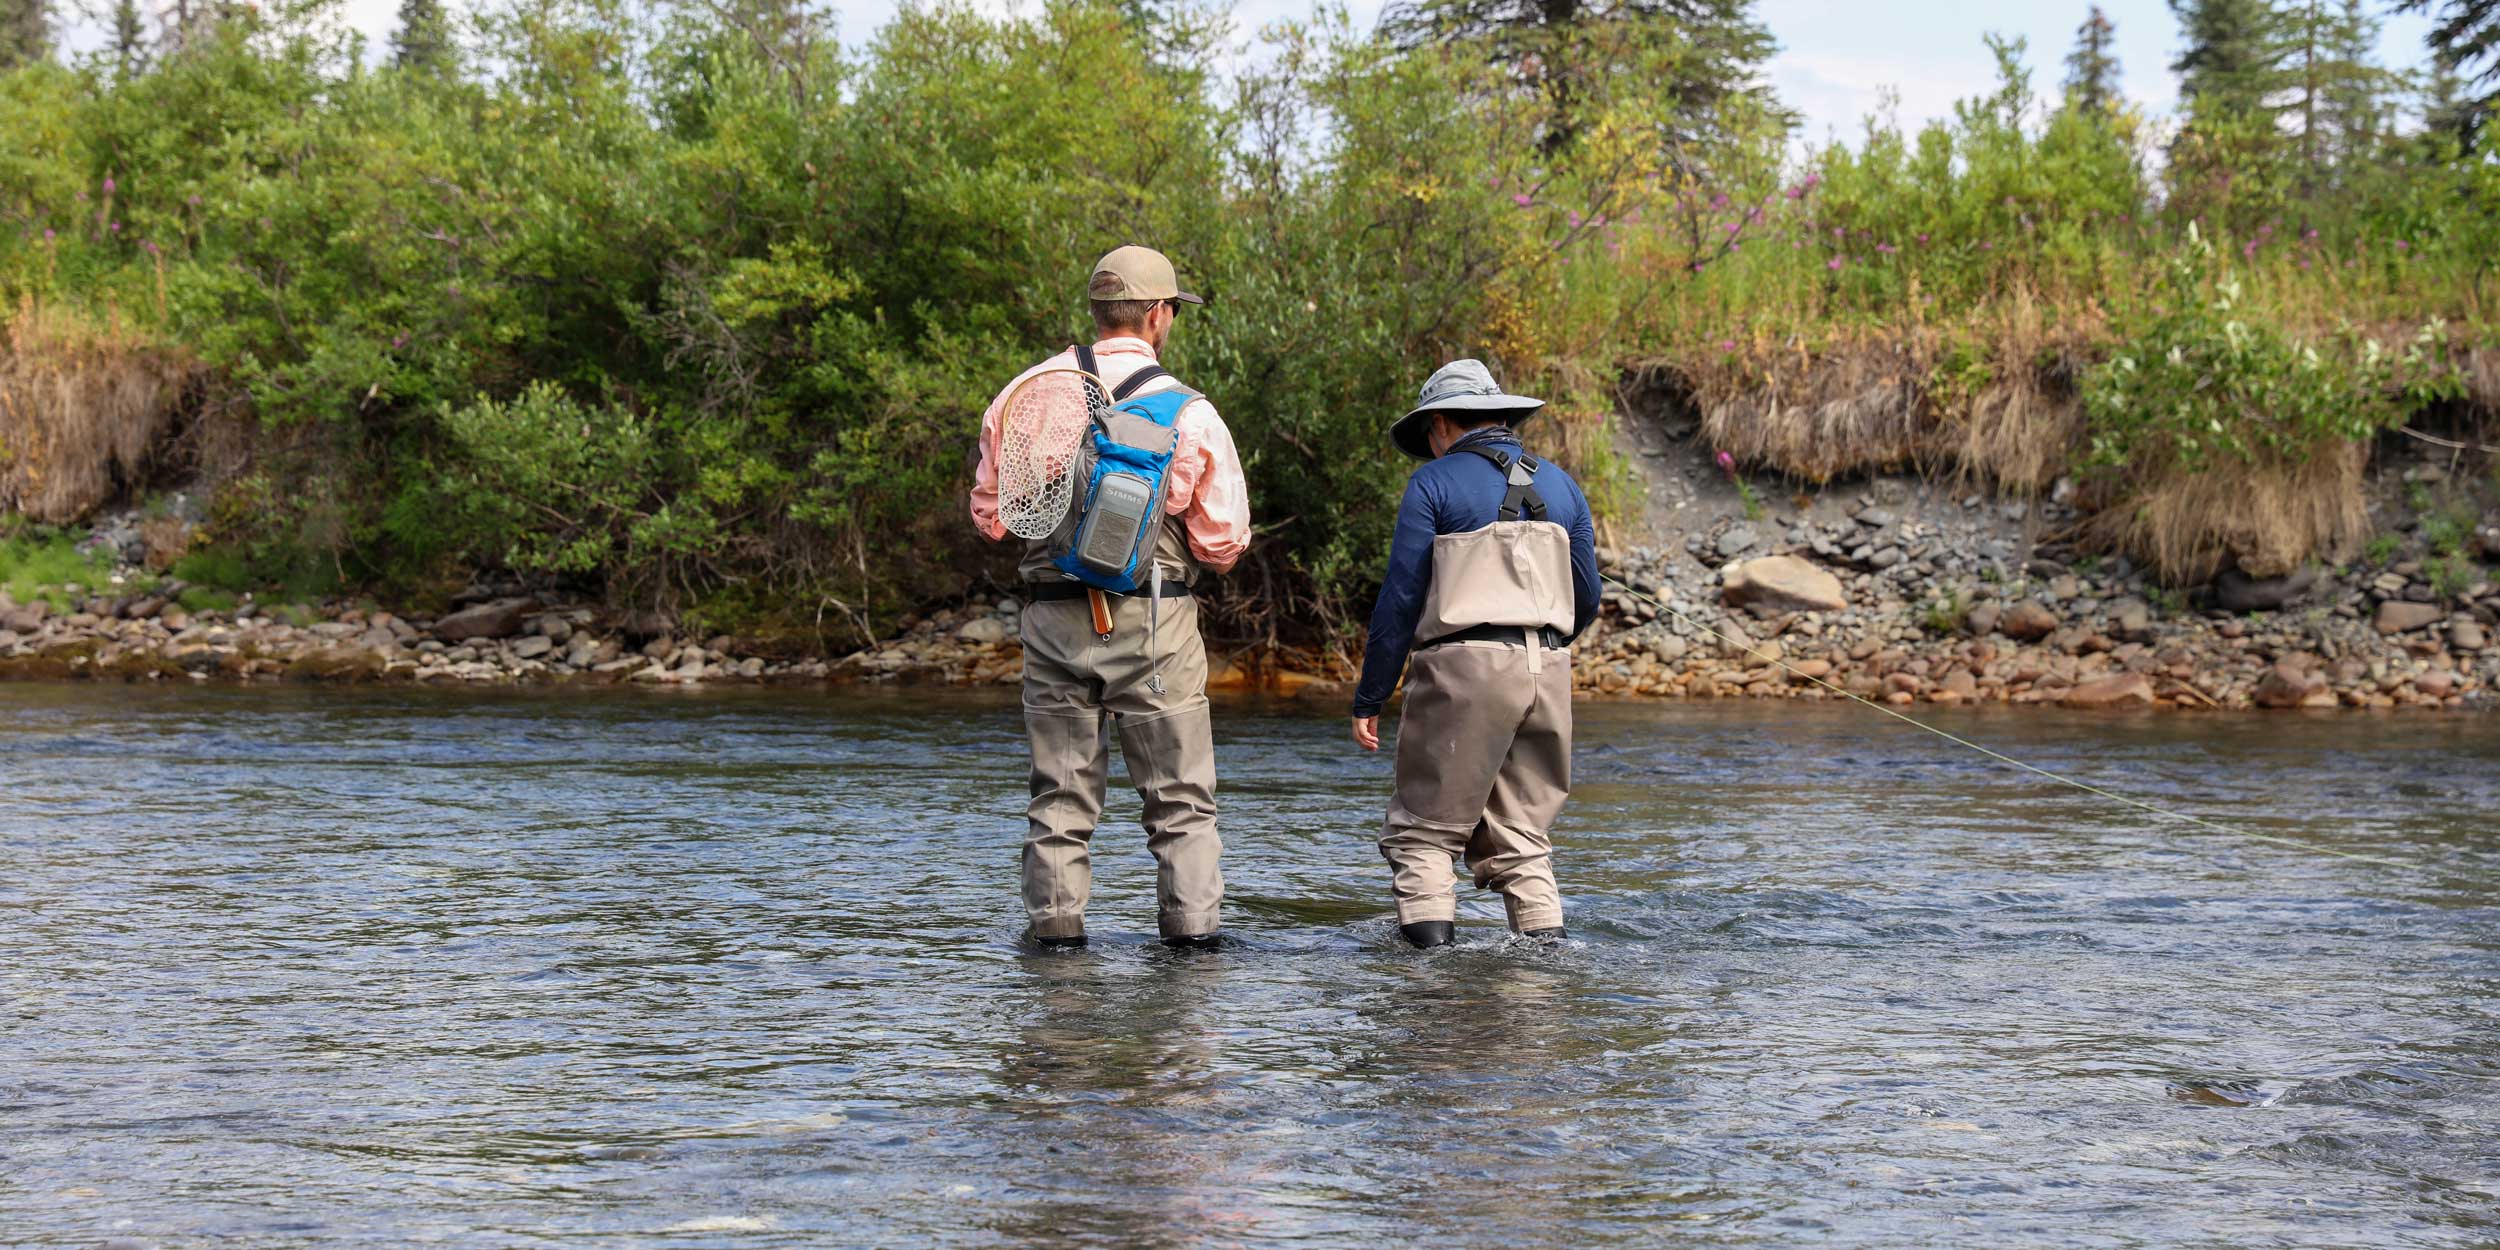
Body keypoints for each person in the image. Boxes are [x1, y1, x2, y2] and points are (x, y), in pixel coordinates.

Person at [970, 246, 1251, 950]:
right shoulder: (1193, 412)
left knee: (1058, 802)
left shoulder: (1021, 394)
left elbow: (992, 519)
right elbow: (1223, 545)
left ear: (1096, 312)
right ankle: (1192, 956)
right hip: (1154, 622)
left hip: (1053, 621)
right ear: (1158, 315)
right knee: (1181, 802)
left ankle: (1057, 954)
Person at [1349, 359, 1599, 948]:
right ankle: (1544, 979)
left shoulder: (1433, 483)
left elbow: (1401, 598)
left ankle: (1430, 985)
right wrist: (1538, 651)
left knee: (1423, 834)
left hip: (1464, 668)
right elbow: (1587, 596)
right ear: (1500, 414)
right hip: (1549, 668)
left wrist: (1371, 695)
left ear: (1438, 424)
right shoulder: (1562, 485)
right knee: (1522, 837)